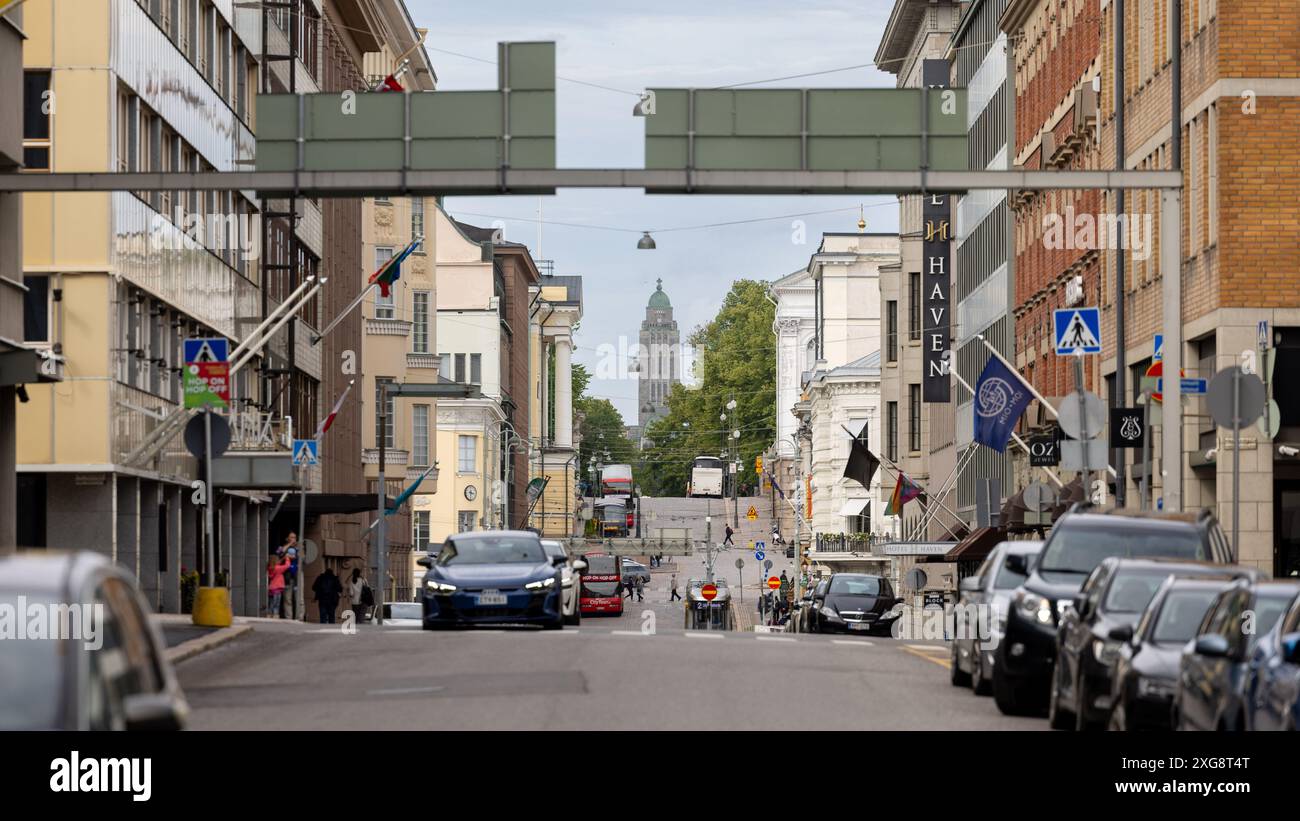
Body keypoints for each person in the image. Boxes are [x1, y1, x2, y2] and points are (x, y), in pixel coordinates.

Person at [266, 553, 291, 618]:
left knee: (271, 603)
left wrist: (283, 558)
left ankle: (269, 614)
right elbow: (287, 566)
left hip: (271, 588)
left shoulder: (270, 568)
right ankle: (275, 615)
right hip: (277, 588)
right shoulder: (278, 568)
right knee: (276, 604)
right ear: (275, 561)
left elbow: (278, 563)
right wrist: (287, 558)